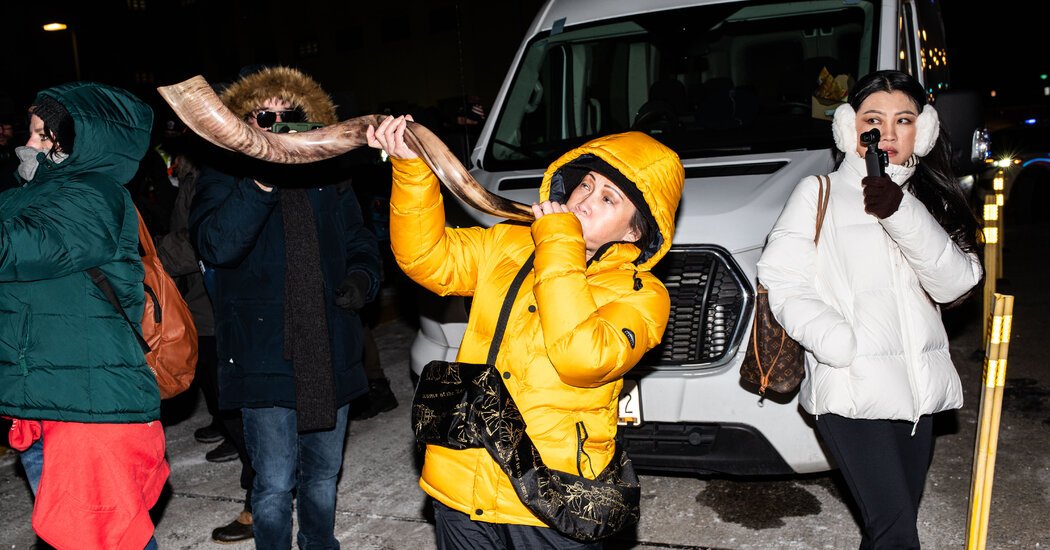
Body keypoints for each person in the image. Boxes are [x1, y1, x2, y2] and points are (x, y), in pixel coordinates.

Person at [368, 116, 684, 548]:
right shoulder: (507, 243)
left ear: (634, 230)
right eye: (586, 185)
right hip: (463, 483)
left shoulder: (643, 296)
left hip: (550, 500)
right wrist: (411, 170)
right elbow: (426, 258)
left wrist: (557, 241)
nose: (586, 201)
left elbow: (581, 358)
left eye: (609, 198)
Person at [756, 69, 983, 549]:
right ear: (848, 128)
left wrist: (901, 210)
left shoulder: (928, 198)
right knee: (896, 532)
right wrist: (837, 342)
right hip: (851, 388)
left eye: (904, 119)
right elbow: (781, 279)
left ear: (922, 131)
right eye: (873, 118)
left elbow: (955, 283)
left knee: (889, 528)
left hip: (918, 396)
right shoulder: (816, 193)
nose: (887, 131)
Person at [189, 65, 382, 550]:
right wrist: (260, 181)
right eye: (261, 116)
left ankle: (320, 543)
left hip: (327, 345)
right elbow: (218, 245)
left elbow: (360, 238)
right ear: (241, 122)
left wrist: (361, 280)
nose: (274, 125)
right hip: (263, 352)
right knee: (273, 483)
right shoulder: (225, 174)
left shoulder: (328, 173)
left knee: (322, 475)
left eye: (287, 114)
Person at [0, 83, 168, 549]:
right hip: (49, 394)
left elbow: (22, 248)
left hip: (87, 402)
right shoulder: (35, 193)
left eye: (39, 134)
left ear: (69, 142)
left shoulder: (91, 194)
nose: (26, 144)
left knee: (102, 535)